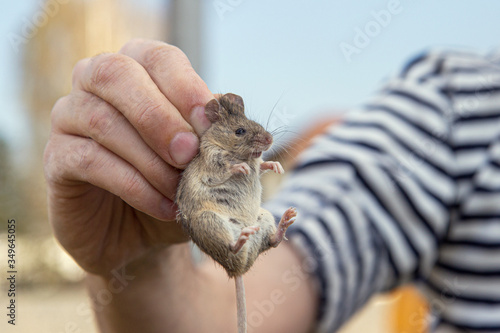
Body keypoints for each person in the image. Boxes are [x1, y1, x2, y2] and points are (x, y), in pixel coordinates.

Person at [44, 39, 500, 332]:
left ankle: (263, 234)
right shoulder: (455, 103)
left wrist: (258, 168)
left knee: (263, 220)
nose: (262, 142)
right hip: (211, 215)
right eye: (246, 136)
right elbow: (231, 315)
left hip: (238, 216)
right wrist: (136, 267)